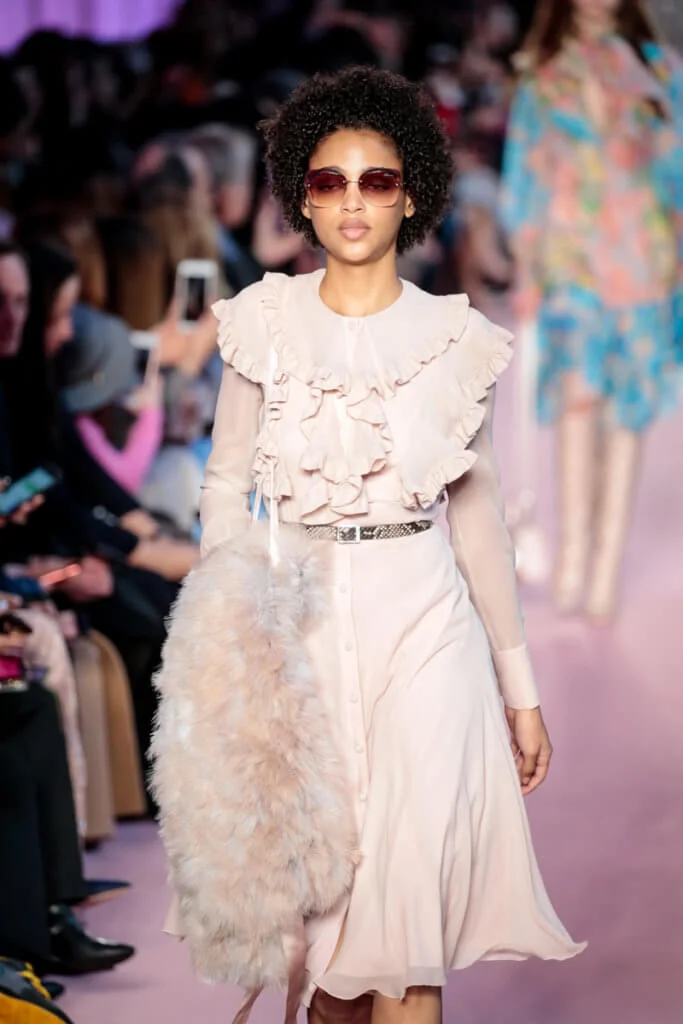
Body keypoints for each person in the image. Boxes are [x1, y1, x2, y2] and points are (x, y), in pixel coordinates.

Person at [158, 67, 584, 1024]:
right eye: (330, 181)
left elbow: (478, 521)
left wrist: (520, 691)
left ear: (411, 195)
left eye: (377, 180)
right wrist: (231, 621)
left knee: (405, 941)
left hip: (426, 630)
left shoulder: (454, 339)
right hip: (296, 636)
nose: (353, 202)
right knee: (323, 956)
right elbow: (224, 482)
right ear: (302, 198)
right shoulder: (261, 324)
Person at [501, 0, 683, 620]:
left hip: (644, 257)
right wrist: (526, 261)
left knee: (629, 409)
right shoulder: (544, 72)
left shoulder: (658, 67)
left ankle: (604, 568)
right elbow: (525, 170)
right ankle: (574, 560)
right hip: (570, 259)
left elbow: (675, 164)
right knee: (578, 400)